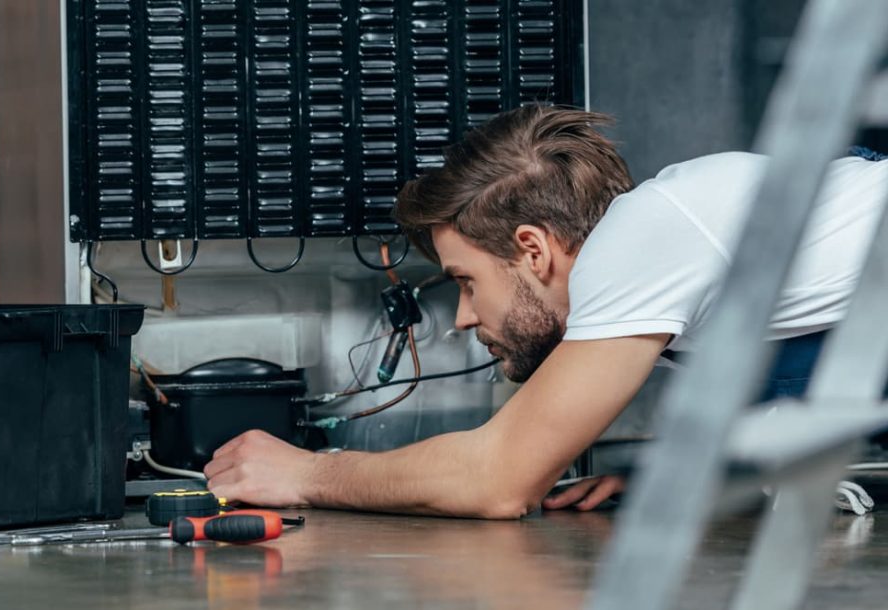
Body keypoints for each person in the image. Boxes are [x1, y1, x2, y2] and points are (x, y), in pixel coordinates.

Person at [203, 104, 888, 518]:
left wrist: (309, 474)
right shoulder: (681, 270)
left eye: (466, 281)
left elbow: (498, 482)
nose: (465, 318)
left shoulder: (645, 229)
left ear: (531, 250)